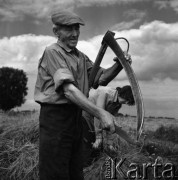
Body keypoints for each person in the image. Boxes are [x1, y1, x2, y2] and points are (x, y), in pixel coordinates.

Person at [34, 9, 131, 180]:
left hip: (76, 118)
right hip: (55, 120)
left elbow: (101, 78)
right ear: (56, 32)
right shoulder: (53, 52)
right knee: (55, 171)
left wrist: (120, 64)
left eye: (76, 28)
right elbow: (69, 91)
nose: (74, 34)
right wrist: (101, 113)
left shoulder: (80, 56)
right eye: (69, 29)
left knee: (75, 169)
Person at [82, 85, 135, 167]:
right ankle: (84, 169)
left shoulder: (117, 104)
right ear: (125, 95)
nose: (127, 103)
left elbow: (110, 123)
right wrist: (99, 137)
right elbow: (98, 114)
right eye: (128, 100)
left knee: (98, 148)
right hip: (85, 114)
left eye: (129, 103)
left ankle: (93, 168)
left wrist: (111, 143)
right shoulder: (105, 93)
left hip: (94, 117)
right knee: (89, 142)